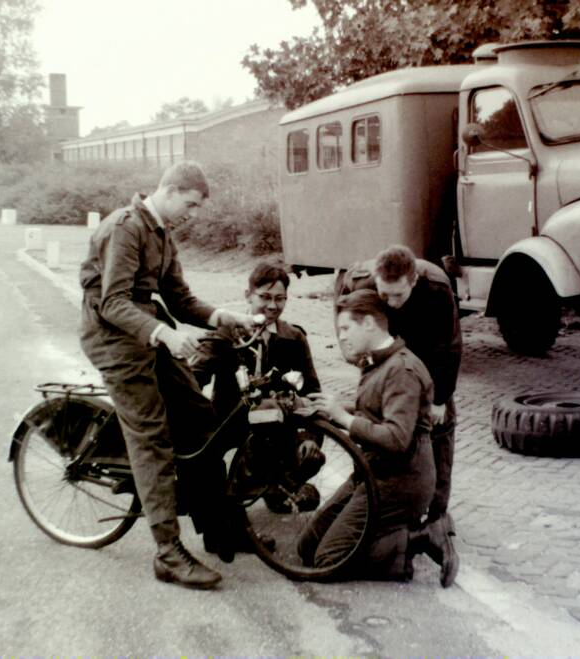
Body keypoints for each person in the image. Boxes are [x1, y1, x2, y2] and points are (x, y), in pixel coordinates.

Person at [79, 160, 258, 590]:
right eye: (190, 205)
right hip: (114, 340)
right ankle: (167, 552)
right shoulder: (125, 227)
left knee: (199, 417)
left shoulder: (161, 232)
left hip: (147, 333)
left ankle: (217, 526)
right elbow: (113, 303)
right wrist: (165, 335)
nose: (192, 214)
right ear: (171, 191)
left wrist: (222, 316)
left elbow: (179, 299)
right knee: (152, 437)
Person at [301, 289, 458, 587]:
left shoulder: (402, 370)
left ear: (369, 323)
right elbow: (375, 411)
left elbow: (396, 438)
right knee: (307, 546)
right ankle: (391, 536)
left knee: (328, 559)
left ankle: (420, 538)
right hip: (372, 472)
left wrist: (343, 417)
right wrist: (329, 409)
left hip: (400, 482)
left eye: (346, 328)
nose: (342, 337)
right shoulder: (380, 362)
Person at [190, 261, 325, 559]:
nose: (272, 306)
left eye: (280, 299)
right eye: (264, 297)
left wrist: (308, 438)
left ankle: (277, 487)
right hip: (230, 420)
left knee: (308, 452)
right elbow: (194, 378)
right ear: (248, 296)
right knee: (203, 458)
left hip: (275, 426)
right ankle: (220, 530)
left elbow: (311, 392)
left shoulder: (294, 338)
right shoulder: (227, 334)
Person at [337, 244, 462, 529]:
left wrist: (440, 399)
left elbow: (450, 345)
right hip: (386, 354)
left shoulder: (437, 287)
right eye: (384, 295)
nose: (392, 303)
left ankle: (437, 518)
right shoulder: (361, 281)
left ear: (413, 280)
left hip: (426, 351)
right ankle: (374, 499)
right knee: (374, 419)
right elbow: (343, 311)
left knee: (440, 431)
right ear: (376, 280)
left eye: (398, 295)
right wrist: (355, 354)